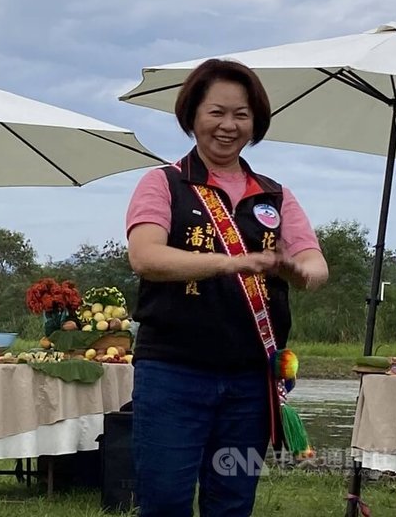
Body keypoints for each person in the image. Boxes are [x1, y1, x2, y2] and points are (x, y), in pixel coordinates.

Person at [126, 58, 329, 517]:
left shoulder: (274, 194)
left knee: (233, 502)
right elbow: (146, 256)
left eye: (241, 114)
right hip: (174, 373)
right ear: (192, 115)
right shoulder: (164, 183)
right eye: (216, 112)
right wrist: (232, 262)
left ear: (255, 121)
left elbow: (315, 263)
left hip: (250, 379)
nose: (228, 125)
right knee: (164, 501)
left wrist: (300, 271)